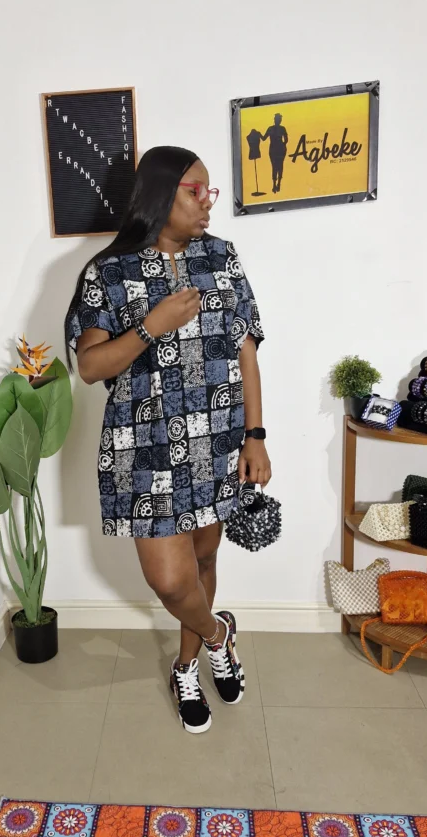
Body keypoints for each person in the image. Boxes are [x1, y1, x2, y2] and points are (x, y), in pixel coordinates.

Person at [64, 146, 270, 734]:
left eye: (209, 191)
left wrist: (255, 436)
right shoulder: (109, 272)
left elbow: (246, 353)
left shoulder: (222, 258)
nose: (207, 202)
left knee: (203, 561)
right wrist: (151, 326)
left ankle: (187, 666)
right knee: (170, 579)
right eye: (194, 190)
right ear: (159, 193)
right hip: (141, 447)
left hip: (217, 442)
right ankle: (219, 635)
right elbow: (91, 367)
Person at [264, 113, 288, 193]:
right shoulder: (282, 128)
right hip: (279, 149)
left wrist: (258, 134)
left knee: (275, 166)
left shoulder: (271, 128)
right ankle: (277, 184)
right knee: (279, 166)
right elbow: (286, 140)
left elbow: (263, 138)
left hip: (274, 149)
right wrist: (282, 145)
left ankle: (275, 184)